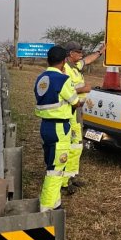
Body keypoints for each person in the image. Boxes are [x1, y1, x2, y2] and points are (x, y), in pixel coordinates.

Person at [34, 45, 81, 212]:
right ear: (63, 61)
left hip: (45, 126)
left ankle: (55, 202)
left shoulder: (40, 78)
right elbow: (75, 102)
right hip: (60, 127)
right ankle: (47, 207)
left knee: (51, 162)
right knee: (56, 169)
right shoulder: (63, 79)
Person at [62, 40, 106, 192]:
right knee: (70, 145)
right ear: (71, 54)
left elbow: (88, 60)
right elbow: (64, 91)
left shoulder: (76, 66)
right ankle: (64, 181)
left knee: (77, 145)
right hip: (70, 111)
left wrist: (100, 51)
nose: (81, 55)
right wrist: (83, 89)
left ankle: (71, 177)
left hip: (78, 110)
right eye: (79, 52)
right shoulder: (65, 69)